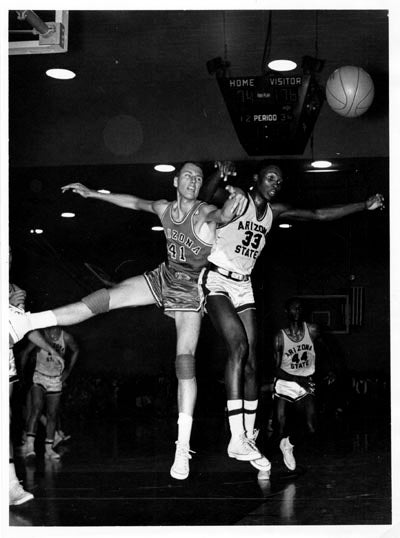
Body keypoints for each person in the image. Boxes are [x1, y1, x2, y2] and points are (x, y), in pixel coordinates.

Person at [8, 161, 247, 480]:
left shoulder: (203, 212)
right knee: (103, 299)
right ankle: (25, 322)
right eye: (188, 176)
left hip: (189, 291)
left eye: (199, 177)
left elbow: (224, 215)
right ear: (176, 181)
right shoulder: (165, 208)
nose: (193, 181)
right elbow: (133, 201)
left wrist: (237, 199)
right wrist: (93, 194)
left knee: (184, 361)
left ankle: (182, 447)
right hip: (163, 277)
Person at [200, 161, 384, 478]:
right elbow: (204, 200)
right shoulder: (238, 198)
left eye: (279, 181)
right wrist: (218, 175)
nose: (276, 183)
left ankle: (246, 436)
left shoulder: (275, 211)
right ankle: (235, 437)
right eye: (271, 178)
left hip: (243, 285)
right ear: (256, 179)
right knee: (238, 347)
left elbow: (317, 215)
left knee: (252, 365)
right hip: (216, 278)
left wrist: (363, 205)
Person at [9, 248, 64, 504]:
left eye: (10, 251)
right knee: (34, 412)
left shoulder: (15, 290)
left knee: (6, 417)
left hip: (12, 361)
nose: (7, 256)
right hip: (38, 376)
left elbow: (20, 329)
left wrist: (52, 350)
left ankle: (10, 482)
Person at [273, 297, 335, 470]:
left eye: (300, 308)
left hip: (306, 383)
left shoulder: (313, 330)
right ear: (287, 312)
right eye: (293, 308)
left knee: (312, 427)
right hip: (286, 382)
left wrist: (330, 369)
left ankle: (289, 444)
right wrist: (298, 380)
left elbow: (326, 349)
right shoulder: (280, 337)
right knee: (279, 427)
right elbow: (276, 369)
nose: (297, 311)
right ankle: (267, 463)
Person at [20, 327, 79, 459]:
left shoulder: (66, 337)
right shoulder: (40, 336)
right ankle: (30, 446)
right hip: (39, 376)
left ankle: (49, 450)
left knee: (52, 414)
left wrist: (68, 371)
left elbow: (76, 350)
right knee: (36, 409)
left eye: (55, 333)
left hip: (55, 380)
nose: (53, 335)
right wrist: (22, 375)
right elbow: (25, 353)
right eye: (50, 332)